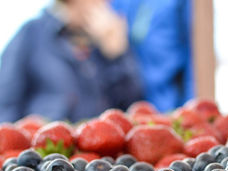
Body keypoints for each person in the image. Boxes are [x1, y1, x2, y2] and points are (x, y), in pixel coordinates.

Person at [0, 0, 143, 123]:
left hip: (94, 148)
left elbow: (131, 104)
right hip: (45, 146)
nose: (107, 3)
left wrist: (116, 56)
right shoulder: (32, 33)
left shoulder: (107, 40)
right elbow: (6, 100)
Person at [112, 0, 195, 113]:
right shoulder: (118, 3)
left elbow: (194, 60)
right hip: (130, 109)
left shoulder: (177, 4)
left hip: (167, 109)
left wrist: (189, 112)